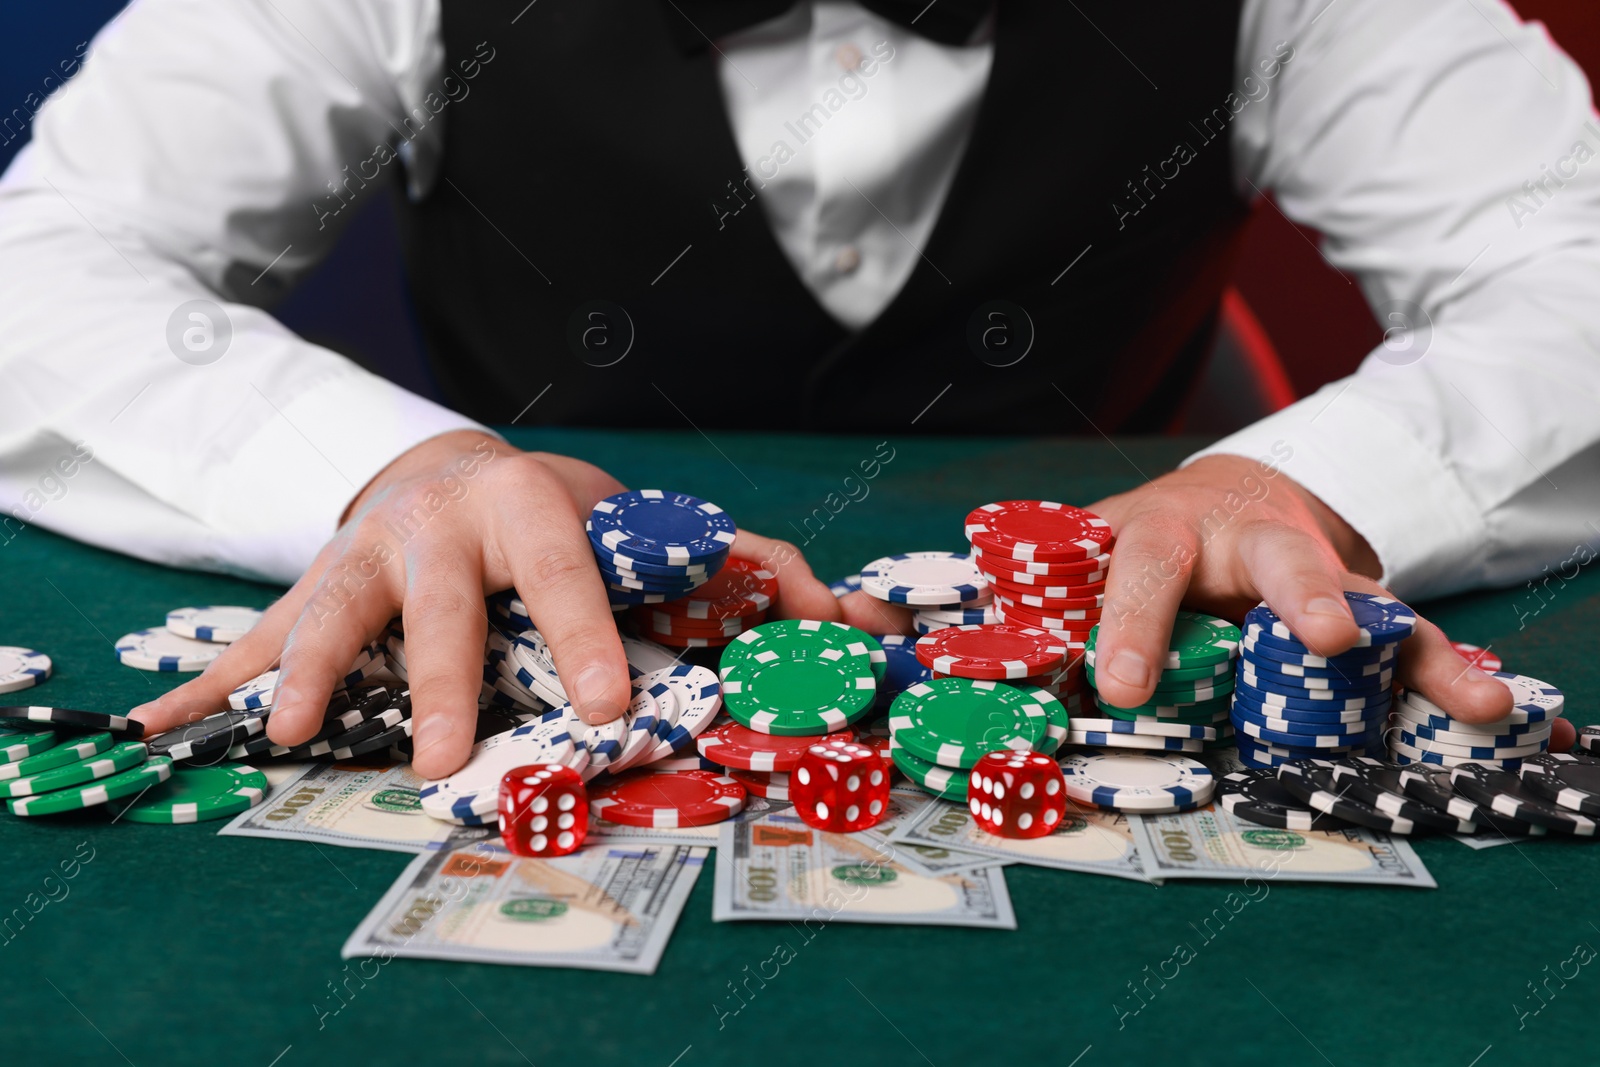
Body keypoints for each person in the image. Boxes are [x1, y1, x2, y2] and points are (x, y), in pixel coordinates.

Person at [2, 0, 1595, 777]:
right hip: (576, 646)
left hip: (1113, 637)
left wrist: (1313, 481)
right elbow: (44, 267)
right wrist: (385, 470)